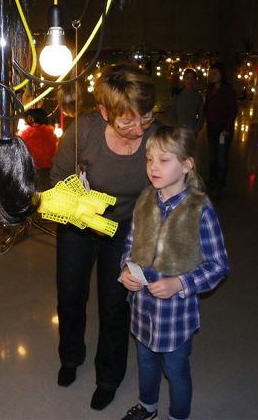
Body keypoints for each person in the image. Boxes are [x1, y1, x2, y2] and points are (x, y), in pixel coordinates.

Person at [50, 64, 160, 410]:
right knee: (70, 294)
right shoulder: (84, 131)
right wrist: (84, 211)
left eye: (145, 117)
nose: (138, 129)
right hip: (79, 221)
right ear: (103, 111)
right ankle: (71, 356)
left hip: (126, 226)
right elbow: (57, 180)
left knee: (115, 304)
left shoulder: (156, 137)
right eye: (126, 122)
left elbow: (172, 192)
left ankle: (109, 377)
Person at [119, 125, 229, 420]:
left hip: (175, 317)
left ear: (187, 165)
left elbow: (218, 266)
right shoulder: (144, 199)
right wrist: (125, 269)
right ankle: (147, 407)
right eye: (149, 159)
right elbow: (130, 244)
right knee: (146, 363)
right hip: (143, 310)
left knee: (176, 370)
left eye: (164, 160)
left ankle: (178, 415)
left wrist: (180, 283)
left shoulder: (200, 210)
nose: (153, 167)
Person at [204, 62, 237, 198]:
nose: (212, 76)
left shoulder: (227, 90)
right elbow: (207, 106)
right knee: (212, 156)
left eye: (215, 73)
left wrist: (227, 128)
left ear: (221, 74)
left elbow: (232, 111)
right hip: (212, 127)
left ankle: (220, 184)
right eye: (211, 73)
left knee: (222, 157)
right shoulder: (210, 89)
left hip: (223, 129)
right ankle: (212, 180)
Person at [17, 108, 58, 190]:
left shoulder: (26, 133)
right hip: (48, 173)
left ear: (31, 118)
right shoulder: (50, 133)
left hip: (31, 173)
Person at [170, 68, 204, 134]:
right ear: (184, 79)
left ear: (195, 80)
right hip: (178, 131)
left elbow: (201, 115)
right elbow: (173, 113)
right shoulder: (177, 95)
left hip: (192, 131)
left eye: (192, 78)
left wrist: (196, 129)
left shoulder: (198, 97)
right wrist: (175, 128)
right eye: (187, 78)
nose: (190, 81)